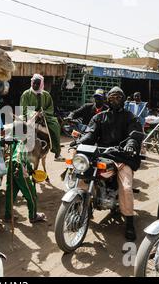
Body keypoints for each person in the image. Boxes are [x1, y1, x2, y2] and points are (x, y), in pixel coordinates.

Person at [77, 86, 143, 241]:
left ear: (124, 99)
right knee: (81, 176)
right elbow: (90, 133)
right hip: (101, 154)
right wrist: (80, 141)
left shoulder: (130, 117)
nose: (115, 100)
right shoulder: (99, 117)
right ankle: (83, 205)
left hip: (122, 157)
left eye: (118, 97)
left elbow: (135, 135)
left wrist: (131, 145)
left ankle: (129, 222)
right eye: (112, 97)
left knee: (126, 188)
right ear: (108, 99)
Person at [20, 74, 62, 161]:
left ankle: (57, 152)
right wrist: (34, 113)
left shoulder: (46, 95)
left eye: (37, 84)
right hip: (28, 116)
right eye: (34, 83)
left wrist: (44, 113)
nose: (35, 85)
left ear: (41, 84)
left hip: (44, 117)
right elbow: (23, 109)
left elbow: (50, 108)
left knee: (55, 125)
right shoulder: (26, 94)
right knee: (19, 126)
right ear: (31, 83)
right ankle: (19, 150)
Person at [5, 139, 46, 223]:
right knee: (31, 194)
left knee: (11, 192)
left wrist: (30, 170)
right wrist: (30, 171)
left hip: (11, 165)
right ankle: (33, 216)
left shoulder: (15, 140)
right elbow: (24, 159)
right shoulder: (26, 143)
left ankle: (8, 215)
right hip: (19, 167)